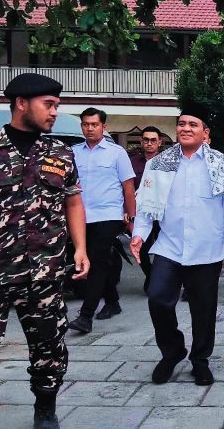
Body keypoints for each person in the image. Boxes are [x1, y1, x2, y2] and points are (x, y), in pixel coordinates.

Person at [0, 73, 90, 429]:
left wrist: (80, 248)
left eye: (57, 105)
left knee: (50, 348)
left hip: (43, 271)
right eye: (49, 104)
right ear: (21, 104)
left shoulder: (59, 152)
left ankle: (45, 409)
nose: (55, 112)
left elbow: (73, 201)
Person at [130, 108, 224, 386]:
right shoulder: (159, 164)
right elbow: (146, 206)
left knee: (203, 309)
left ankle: (200, 359)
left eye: (193, 124)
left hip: (207, 249)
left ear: (206, 133)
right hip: (169, 248)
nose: (186, 128)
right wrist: (139, 235)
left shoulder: (222, 164)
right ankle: (172, 352)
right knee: (157, 298)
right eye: (181, 124)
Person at [68, 108, 136, 333]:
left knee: (96, 261)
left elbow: (128, 189)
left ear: (103, 127)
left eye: (94, 124)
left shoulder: (117, 153)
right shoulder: (73, 153)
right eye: (86, 124)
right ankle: (113, 301)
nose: (89, 128)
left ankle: (85, 316)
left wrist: (131, 218)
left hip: (108, 216)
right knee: (97, 261)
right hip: (80, 218)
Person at [131, 126, 163, 292]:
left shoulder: (166, 163)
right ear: (141, 141)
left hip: (162, 213)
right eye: (146, 140)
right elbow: (127, 188)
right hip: (141, 213)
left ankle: (157, 280)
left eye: (153, 140)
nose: (149, 143)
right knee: (141, 249)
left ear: (159, 142)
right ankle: (150, 277)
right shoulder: (133, 162)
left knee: (162, 250)